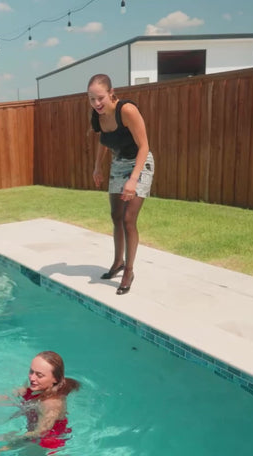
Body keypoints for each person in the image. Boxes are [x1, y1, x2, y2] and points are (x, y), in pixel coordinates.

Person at [88, 73, 154, 295]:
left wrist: (133, 180)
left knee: (128, 219)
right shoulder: (98, 116)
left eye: (100, 98)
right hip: (118, 163)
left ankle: (129, 271)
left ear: (111, 93)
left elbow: (144, 146)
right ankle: (118, 262)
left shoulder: (126, 110)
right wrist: (97, 167)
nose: (96, 103)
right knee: (116, 216)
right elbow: (103, 141)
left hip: (140, 163)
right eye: (92, 99)